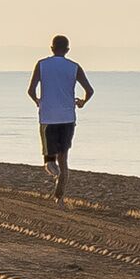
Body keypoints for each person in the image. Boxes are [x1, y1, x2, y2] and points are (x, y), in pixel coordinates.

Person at [26, 33, 93, 198]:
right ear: (67, 50)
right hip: (67, 118)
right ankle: (59, 198)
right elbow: (89, 91)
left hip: (48, 117)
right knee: (64, 159)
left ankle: (56, 176)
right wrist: (82, 102)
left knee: (49, 160)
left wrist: (37, 101)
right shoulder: (74, 67)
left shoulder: (42, 65)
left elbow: (30, 90)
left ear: (51, 48)